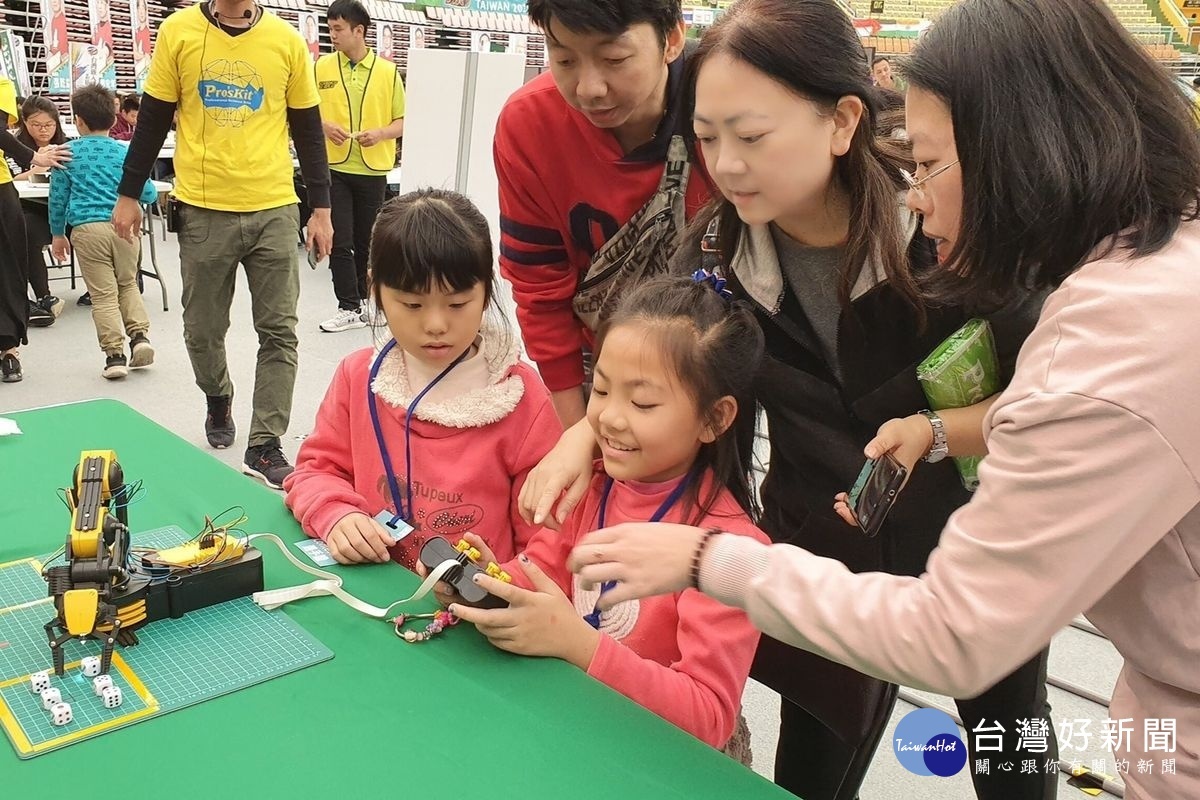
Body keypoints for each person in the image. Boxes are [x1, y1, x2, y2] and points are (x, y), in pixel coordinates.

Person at [566, 1, 1200, 798]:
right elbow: (655, 370)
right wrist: (580, 434)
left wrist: (935, 432)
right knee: (815, 751)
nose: (724, 163)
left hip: (982, 540)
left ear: (844, 121)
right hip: (822, 543)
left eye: (752, 134)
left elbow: (1046, 415)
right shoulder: (718, 261)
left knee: (1009, 739)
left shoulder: (975, 248)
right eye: (707, 135)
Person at [448, 276, 770, 762]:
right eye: (599, 390)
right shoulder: (593, 487)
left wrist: (581, 645)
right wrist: (491, 583)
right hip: (576, 730)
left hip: (661, 764)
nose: (610, 419)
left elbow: (709, 717)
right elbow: (543, 573)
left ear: (714, 419)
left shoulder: (730, 553)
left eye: (642, 402)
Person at [112, 0, 334, 488]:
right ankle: (218, 395)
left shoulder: (286, 41)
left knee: (279, 331)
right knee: (202, 330)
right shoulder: (179, 32)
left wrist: (321, 208)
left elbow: (308, 130)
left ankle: (264, 444)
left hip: (274, 205)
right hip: (204, 209)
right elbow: (151, 119)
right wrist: (128, 194)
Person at [284, 189, 561, 568]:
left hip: (479, 610)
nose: (435, 325)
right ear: (375, 292)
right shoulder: (359, 377)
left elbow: (548, 537)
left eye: (457, 304)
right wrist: (336, 514)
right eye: (412, 304)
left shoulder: (523, 399)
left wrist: (503, 584)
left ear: (486, 292)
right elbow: (316, 470)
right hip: (373, 588)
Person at [495, 0, 711, 428]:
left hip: (712, 359)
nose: (589, 88)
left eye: (614, 58)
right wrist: (578, 431)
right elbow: (540, 285)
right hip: (599, 368)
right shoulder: (530, 126)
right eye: (564, 59)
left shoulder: (718, 112)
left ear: (671, 38)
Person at [49, 85, 158, 380]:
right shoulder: (125, 153)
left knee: (103, 296)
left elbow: (57, 199)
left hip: (87, 231)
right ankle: (140, 338)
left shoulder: (66, 154)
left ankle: (115, 357)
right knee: (128, 284)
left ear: (78, 121)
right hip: (124, 228)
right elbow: (147, 193)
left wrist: (57, 234)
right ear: (114, 119)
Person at [315, 0, 406, 334]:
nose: (332, 35)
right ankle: (347, 306)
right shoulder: (321, 68)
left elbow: (404, 121)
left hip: (372, 168)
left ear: (359, 31)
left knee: (368, 239)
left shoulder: (387, 72)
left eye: (338, 29)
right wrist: (325, 126)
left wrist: (380, 133)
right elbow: (304, 110)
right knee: (339, 237)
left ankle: (368, 302)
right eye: (330, 29)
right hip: (334, 167)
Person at [0, 77, 71, 383]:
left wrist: (32, 157)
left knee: (6, 270)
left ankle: (9, 350)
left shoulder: (1, 82)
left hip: (0, 188)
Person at [10, 97, 68, 327]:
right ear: (24, 122)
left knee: (94, 224)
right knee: (26, 230)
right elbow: (11, 178)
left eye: (49, 125)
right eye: (36, 125)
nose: (44, 130)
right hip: (30, 208)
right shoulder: (15, 146)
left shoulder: (67, 145)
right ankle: (44, 297)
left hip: (63, 210)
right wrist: (40, 165)